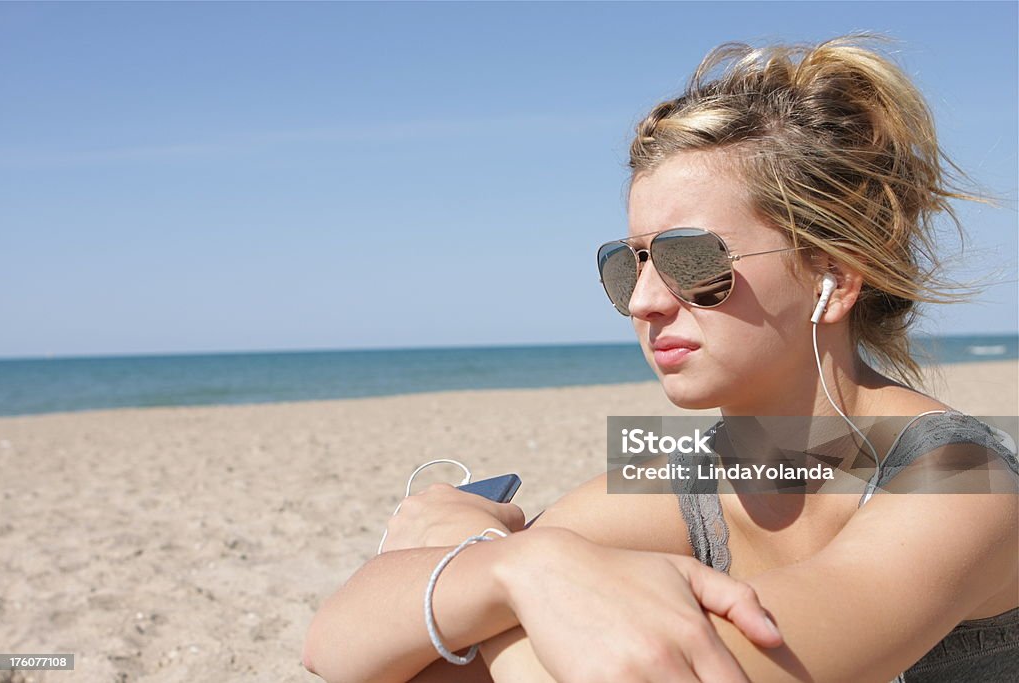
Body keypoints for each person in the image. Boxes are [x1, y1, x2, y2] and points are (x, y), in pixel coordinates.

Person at [302, 35, 1018, 683]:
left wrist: (499, 587)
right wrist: (525, 564)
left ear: (834, 277)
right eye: (630, 262)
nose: (645, 299)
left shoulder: (962, 481)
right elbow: (335, 643)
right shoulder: (688, 477)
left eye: (690, 259)